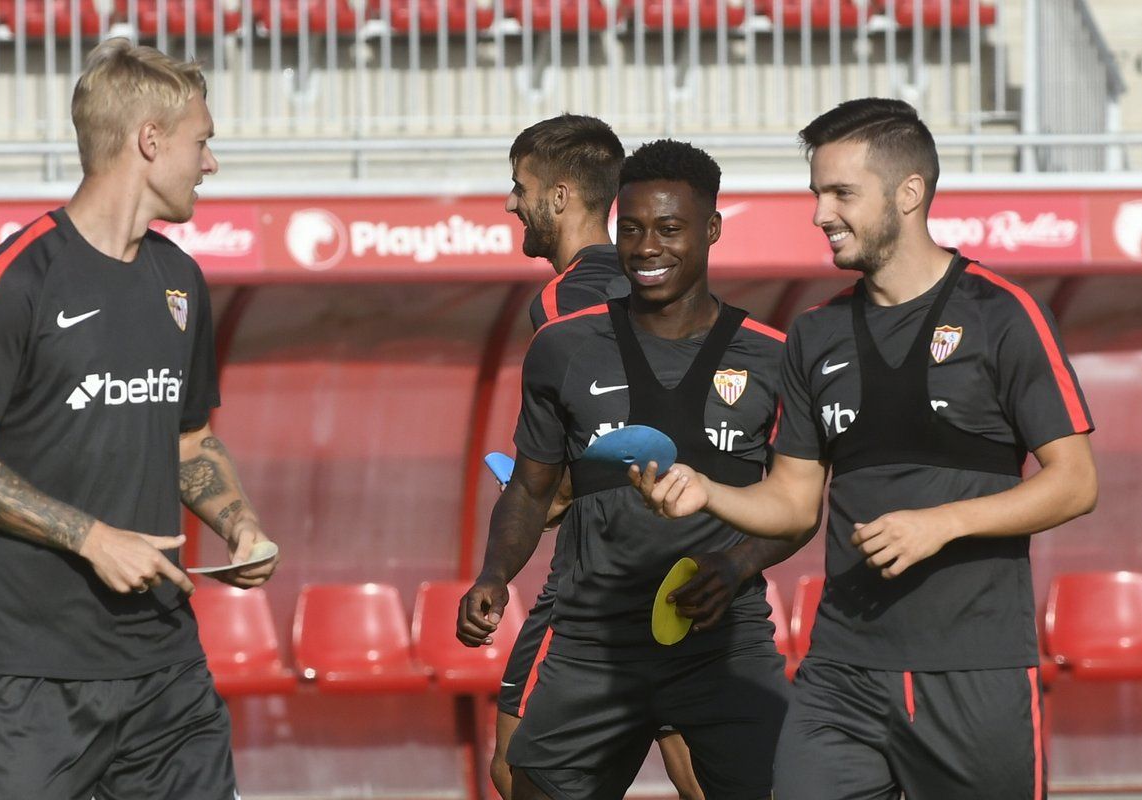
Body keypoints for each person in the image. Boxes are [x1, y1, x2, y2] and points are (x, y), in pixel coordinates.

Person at [633, 98, 1098, 799]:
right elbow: (793, 504)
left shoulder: (1003, 314)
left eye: (841, 193)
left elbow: (1076, 482)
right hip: (840, 676)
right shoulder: (815, 334)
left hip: (974, 673)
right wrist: (709, 492)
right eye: (816, 193)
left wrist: (942, 522)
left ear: (908, 193)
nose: (821, 213)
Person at [459, 139, 798, 800]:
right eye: (634, 230)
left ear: (712, 230)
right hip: (592, 641)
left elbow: (798, 505)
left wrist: (735, 566)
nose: (647, 247)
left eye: (670, 230)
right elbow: (530, 489)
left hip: (720, 638)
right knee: (518, 781)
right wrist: (494, 575)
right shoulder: (563, 346)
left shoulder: (776, 358)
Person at [0, 38, 277, 800]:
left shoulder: (180, 278)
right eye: (202, 141)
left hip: (166, 668)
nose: (209, 163)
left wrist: (240, 523)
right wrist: (91, 538)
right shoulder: (20, 277)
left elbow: (189, 441)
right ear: (150, 141)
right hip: (32, 673)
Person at [491, 113, 704, 800]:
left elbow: (599, 426)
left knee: (520, 767)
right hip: (688, 556)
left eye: (519, 186)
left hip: (601, 575)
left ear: (558, 197)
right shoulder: (662, 285)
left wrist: (552, 495)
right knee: (695, 763)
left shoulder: (564, 299)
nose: (509, 202)